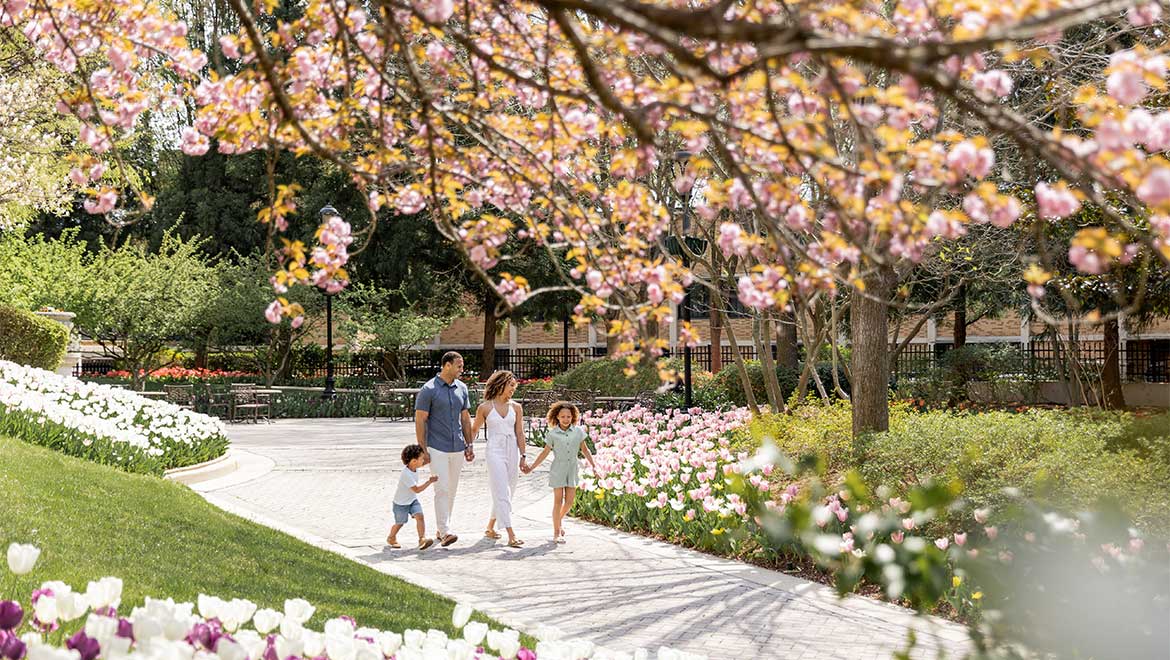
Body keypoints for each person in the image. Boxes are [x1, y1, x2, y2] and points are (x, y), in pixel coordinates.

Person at [414, 351, 473, 547]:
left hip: (457, 446)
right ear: (447, 365)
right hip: (436, 446)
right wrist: (422, 449)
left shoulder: (462, 388)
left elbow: (465, 419)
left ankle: (441, 529)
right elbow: (420, 420)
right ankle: (446, 531)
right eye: (459, 366)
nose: (461, 369)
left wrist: (469, 444)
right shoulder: (428, 389)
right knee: (442, 488)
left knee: (452, 490)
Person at [523, 401, 596, 543]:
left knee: (569, 501)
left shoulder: (578, 431)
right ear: (557, 417)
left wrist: (593, 465)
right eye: (563, 416)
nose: (566, 419)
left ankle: (558, 521)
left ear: (572, 417)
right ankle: (556, 532)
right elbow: (544, 453)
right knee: (558, 501)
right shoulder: (552, 434)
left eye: (568, 416)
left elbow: (585, 450)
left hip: (573, 468)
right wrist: (532, 467)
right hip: (558, 469)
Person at [469, 370, 526, 548]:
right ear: (501, 384)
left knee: (509, 489)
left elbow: (520, 433)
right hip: (494, 450)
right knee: (502, 490)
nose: (513, 389)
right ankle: (511, 533)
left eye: (514, 386)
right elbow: (474, 430)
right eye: (511, 385)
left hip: (513, 450)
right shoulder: (485, 407)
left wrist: (523, 456)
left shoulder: (516, 407)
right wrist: (468, 447)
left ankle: (490, 527)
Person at [387, 444, 438, 550]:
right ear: (414, 461)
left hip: (412, 500)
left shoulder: (414, 467)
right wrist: (429, 481)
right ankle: (391, 537)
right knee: (400, 523)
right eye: (421, 459)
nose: (423, 461)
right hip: (401, 504)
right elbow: (417, 490)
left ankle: (422, 539)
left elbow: (425, 461)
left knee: (420, 516)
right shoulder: (406, 474)